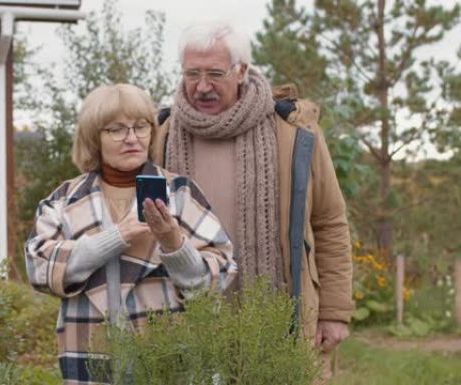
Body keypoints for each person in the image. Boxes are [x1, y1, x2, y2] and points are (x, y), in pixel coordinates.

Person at [150, 21, 353, 382]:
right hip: (186, 320)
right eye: (192, 73)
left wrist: (334, 311)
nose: (201, 86)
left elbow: (329, 221)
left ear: (242, 70)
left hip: (278, 319)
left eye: (215, 73)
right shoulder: (161, 134)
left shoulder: (294, 133)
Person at [25, 83, 236, 385]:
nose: (132, 138)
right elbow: (38, 268)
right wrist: (116, 237)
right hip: (90, 356)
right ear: (93, 137)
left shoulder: (179, 193)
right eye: (116, 129)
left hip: (169, 357)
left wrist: (174, 245)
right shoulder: (65, 199)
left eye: (141, 127)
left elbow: (215, 278)